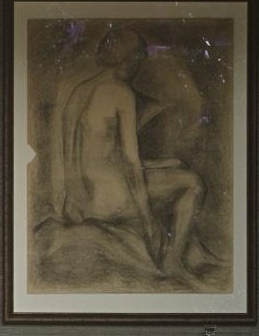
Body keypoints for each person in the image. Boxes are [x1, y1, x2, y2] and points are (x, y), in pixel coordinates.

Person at [45, 25, 207, 285]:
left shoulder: (79, 91)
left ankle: (181, 257)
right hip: (108, 202)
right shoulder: (121, 93)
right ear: (131, 59)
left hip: (78, 202)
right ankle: (173, 262)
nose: (140, 65)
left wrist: (165, 164)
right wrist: (149, 222)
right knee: (193, 184)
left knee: (175, 165)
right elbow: (130, 164)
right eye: (140, 58)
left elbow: (98, 158)